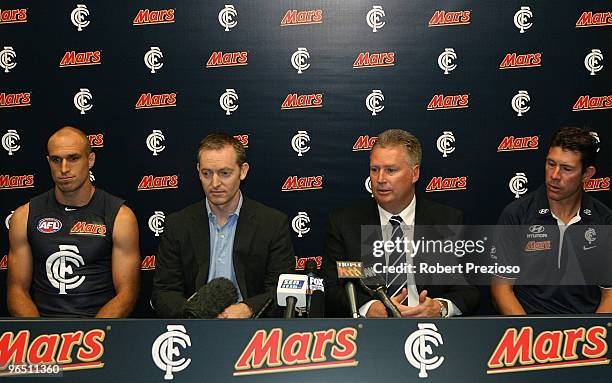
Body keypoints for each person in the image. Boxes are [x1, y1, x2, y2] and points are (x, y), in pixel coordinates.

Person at [323, 129, 479, 318]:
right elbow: (332, 289)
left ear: (415, 173)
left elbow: (468, 290)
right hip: (371, 334)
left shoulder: (447, 222)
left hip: (431, 331)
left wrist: (439, 308)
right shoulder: (345, 224)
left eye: (391, 170)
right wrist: (369, 307)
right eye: (375, 169)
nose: (380, 179)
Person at [151, 133, 295, 318]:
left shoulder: (272, 223)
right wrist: (192, 311)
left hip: (251, 329)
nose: (215, 183)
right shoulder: (178, 224)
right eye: (207, 173)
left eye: (224, 173)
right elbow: (163, 292)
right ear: (198, 172)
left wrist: (247, 309)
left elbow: (281, 290)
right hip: (193, 328)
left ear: (242, 171)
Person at [7, 126, 140, 318]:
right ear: (48, 162)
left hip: (99, 333)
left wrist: (89, 335)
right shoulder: (24, 216)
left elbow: (127, 293)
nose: (64, 169)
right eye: (56, 160)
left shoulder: (120, 217)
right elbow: (16, 289)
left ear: (90, 160)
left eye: (73, 158)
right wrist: (38, 334)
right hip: (43, 336)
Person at [491, 127, 612, 314]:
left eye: (566, 169)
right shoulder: (517, 215)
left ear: (587, 174)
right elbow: (501, 289)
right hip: (530, 329)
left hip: (583, 333)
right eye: (551, 164)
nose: (555, 176)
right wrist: (528, 333)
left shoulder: (603, 220)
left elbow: (609, 294)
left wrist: (592, 335)